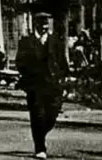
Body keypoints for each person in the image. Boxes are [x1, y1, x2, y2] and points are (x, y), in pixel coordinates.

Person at [16, 12, 69, 159]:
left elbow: (62, 62)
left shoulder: (55, 41)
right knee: (37, 116)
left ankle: (41, 134)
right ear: (36, 25)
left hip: (53, 85)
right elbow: (20, 62)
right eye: (42, 24)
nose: (45, 27)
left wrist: (64, 78)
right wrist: (28, 75)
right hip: (35, 86)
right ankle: (40, 148)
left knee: (52, 115)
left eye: (47, 24)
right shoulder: (26, 42)